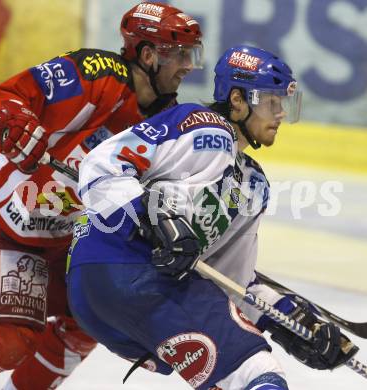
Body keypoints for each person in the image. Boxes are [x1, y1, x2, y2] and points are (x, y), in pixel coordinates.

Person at [66, 45, 357, 389]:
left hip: (122, 293)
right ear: (237, 100)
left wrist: (288, 319)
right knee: (254, 371)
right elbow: (102, 164)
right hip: (117, 260)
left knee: (231, 376)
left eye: (283, 105)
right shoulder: (200, 125)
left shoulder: (254, 185)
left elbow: (228, 283)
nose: (279, 113)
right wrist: (153, 216)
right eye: (271, 102)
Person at [0, 2, 203, 389]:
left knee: (87, 321)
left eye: (191, 54)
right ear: (148, 55)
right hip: (5, 212)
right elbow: (5, 99)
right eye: (180, 54)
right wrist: (13, 123)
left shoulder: (165, 122)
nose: (188, 65)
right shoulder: (93, 73)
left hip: (65, 237)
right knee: (8, 344)